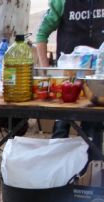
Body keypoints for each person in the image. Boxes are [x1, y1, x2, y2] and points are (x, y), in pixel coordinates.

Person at [36, 0, 104, 159]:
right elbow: (41, 34)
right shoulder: (62, 2)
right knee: (62, 125)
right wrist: (46, 72)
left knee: (93, 127)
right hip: (67, 79)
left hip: (96, 81)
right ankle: (56, 174)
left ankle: (90, 176)